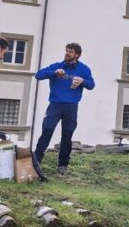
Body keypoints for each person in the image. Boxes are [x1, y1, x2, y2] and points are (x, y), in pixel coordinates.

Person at [32, 42, 94, 176]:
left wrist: (82, 81)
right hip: (55, 104)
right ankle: (36, 161)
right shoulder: (57, 66)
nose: (67, 53)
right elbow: (38, 75)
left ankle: (62, 165)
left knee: (67, 135)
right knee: (47, 131)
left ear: (77, 54)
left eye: (70, 51)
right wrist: (54, 73)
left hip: (71, 106)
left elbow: (91, 85)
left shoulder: (83, 69)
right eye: (66, 51)